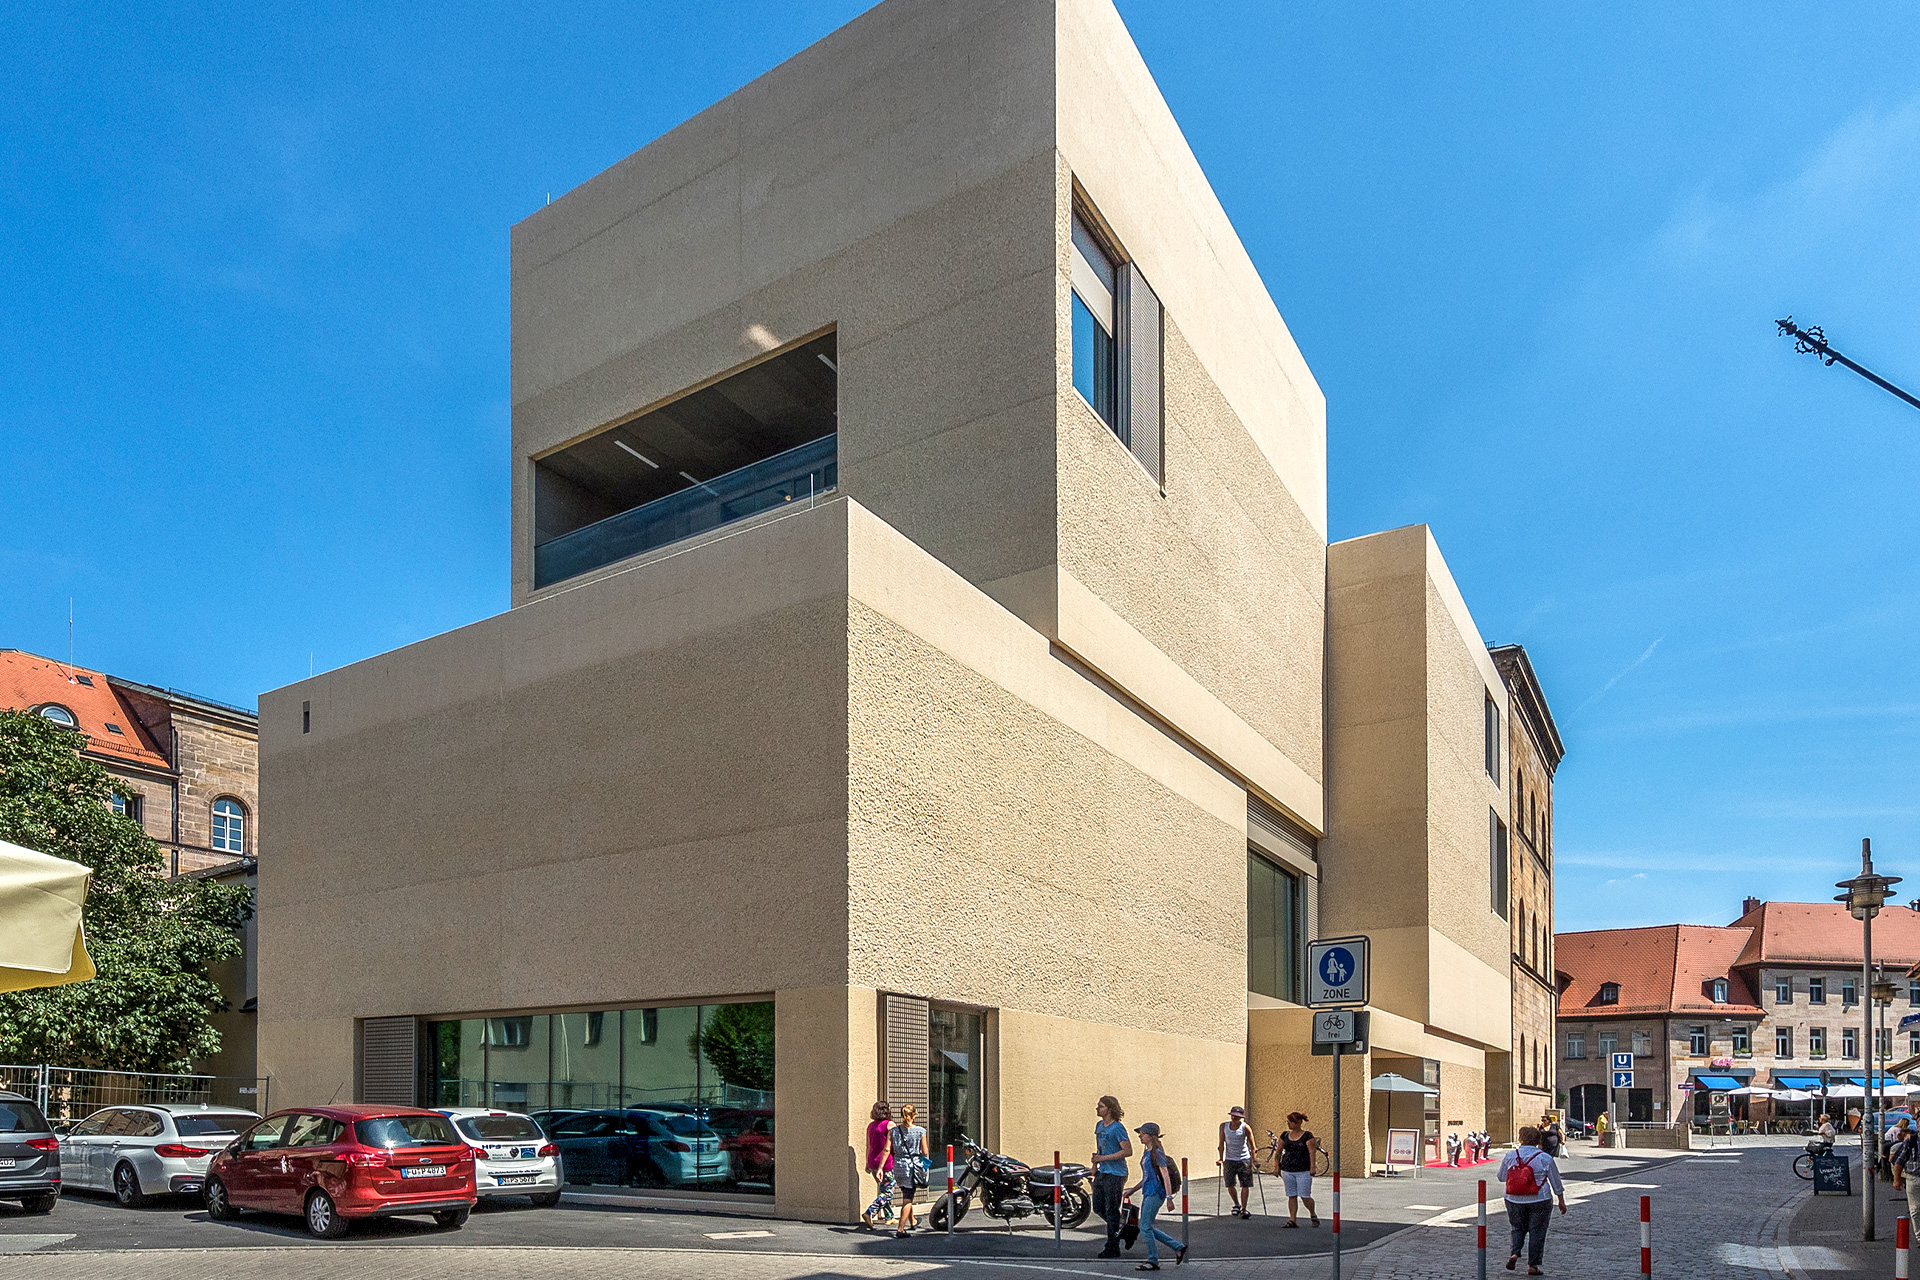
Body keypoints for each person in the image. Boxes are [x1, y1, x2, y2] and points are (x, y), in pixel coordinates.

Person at [1497, 1125, 1567, 1276]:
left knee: (1517, 1228)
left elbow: (1501, 1177)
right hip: (1540, 1198)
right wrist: (1561, 1200)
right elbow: (1556, 1182)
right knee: (1537, 1232)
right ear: (1537, 1140)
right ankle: (1533, 1266)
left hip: (1514, 1198)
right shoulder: (1544, 1157)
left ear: (1521, 1139)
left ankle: (1515, 1253)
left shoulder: (1510, 1156)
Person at [1124, 1121, 1186, 1270]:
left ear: (1151, 1136)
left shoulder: (1157, 1153)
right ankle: (1177, 1247)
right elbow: (1147, 1177)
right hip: (1149, 1192)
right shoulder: (1147, 1153)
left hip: (1155, 1193)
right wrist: (1132, 1190)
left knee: (1144, 1226)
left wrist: (1169, 1198)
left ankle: (1153, 1260)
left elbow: (1164, 1176)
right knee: (1146, 1226)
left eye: (1143, 1133)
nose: (1140, 1136)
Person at [1091, 1096, 1134, 1258]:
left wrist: (1103, 1159)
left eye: (1100, 1106)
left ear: (1109, 1109)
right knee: (1098, 1207)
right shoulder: (1099, 1126)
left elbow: (1127, 1151)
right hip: (1103, 1171)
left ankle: (1112, 1246)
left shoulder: (1117, 1128)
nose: (1097, 1108)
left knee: (1111, 1210)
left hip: (1116, 1173)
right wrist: (1095, 1165)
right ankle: (1123, 1229)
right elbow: (1100, 1148)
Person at [889, 1104, 929, 1237]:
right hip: (912, 1167)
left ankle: (912, 1221)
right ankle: (900, 1229)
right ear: (914, 1115)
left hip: (898, 1166)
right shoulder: (920, 1131)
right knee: (908, 1197)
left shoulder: (894, 1131)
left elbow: (887, 1149)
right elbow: (925, 1151)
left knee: (906, 1191)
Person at [1276, 1112, 1320, 1227]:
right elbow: (1279, 1151)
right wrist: (1276, 1166)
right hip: (1287, 1169)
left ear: (1299, 1122)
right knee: (1291, 1195)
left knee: (1305, 1196)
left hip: (1303, 1170)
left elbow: (1312, 1152)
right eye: (1288, 1122)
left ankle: (1312, 1213)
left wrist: (1312, 1167)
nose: (1289, 1124)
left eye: (1292, 1122)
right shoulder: (1285, 1135)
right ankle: (1293, 1220)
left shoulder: (1307, 1136)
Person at [861, 1101, 895, 1229]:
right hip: (885, 1163)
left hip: (872, 1162)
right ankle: (870, 1212)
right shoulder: (889, 1125)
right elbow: (890, 1146)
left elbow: (868, 1146)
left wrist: (867, 1163)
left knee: (883, 1189)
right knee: (888, 1192)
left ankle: (889, 1217)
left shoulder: (871, 1126)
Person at [1217, 1105, 1255, 1219]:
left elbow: (1253, 1145)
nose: (1234, 1118)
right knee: (1229, 1183)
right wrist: (1220, 1158)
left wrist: (1254, 1160)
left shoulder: (1245, 1127)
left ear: (1241, 1118)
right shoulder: (1224, 1126)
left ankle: (1244, 1208)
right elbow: (1221, 1143)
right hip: (1230, 1159)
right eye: (1233, 1115)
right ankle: (1236, 1204)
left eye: (1237, 1116)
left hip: (1244, 1158)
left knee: (1245, 1184)